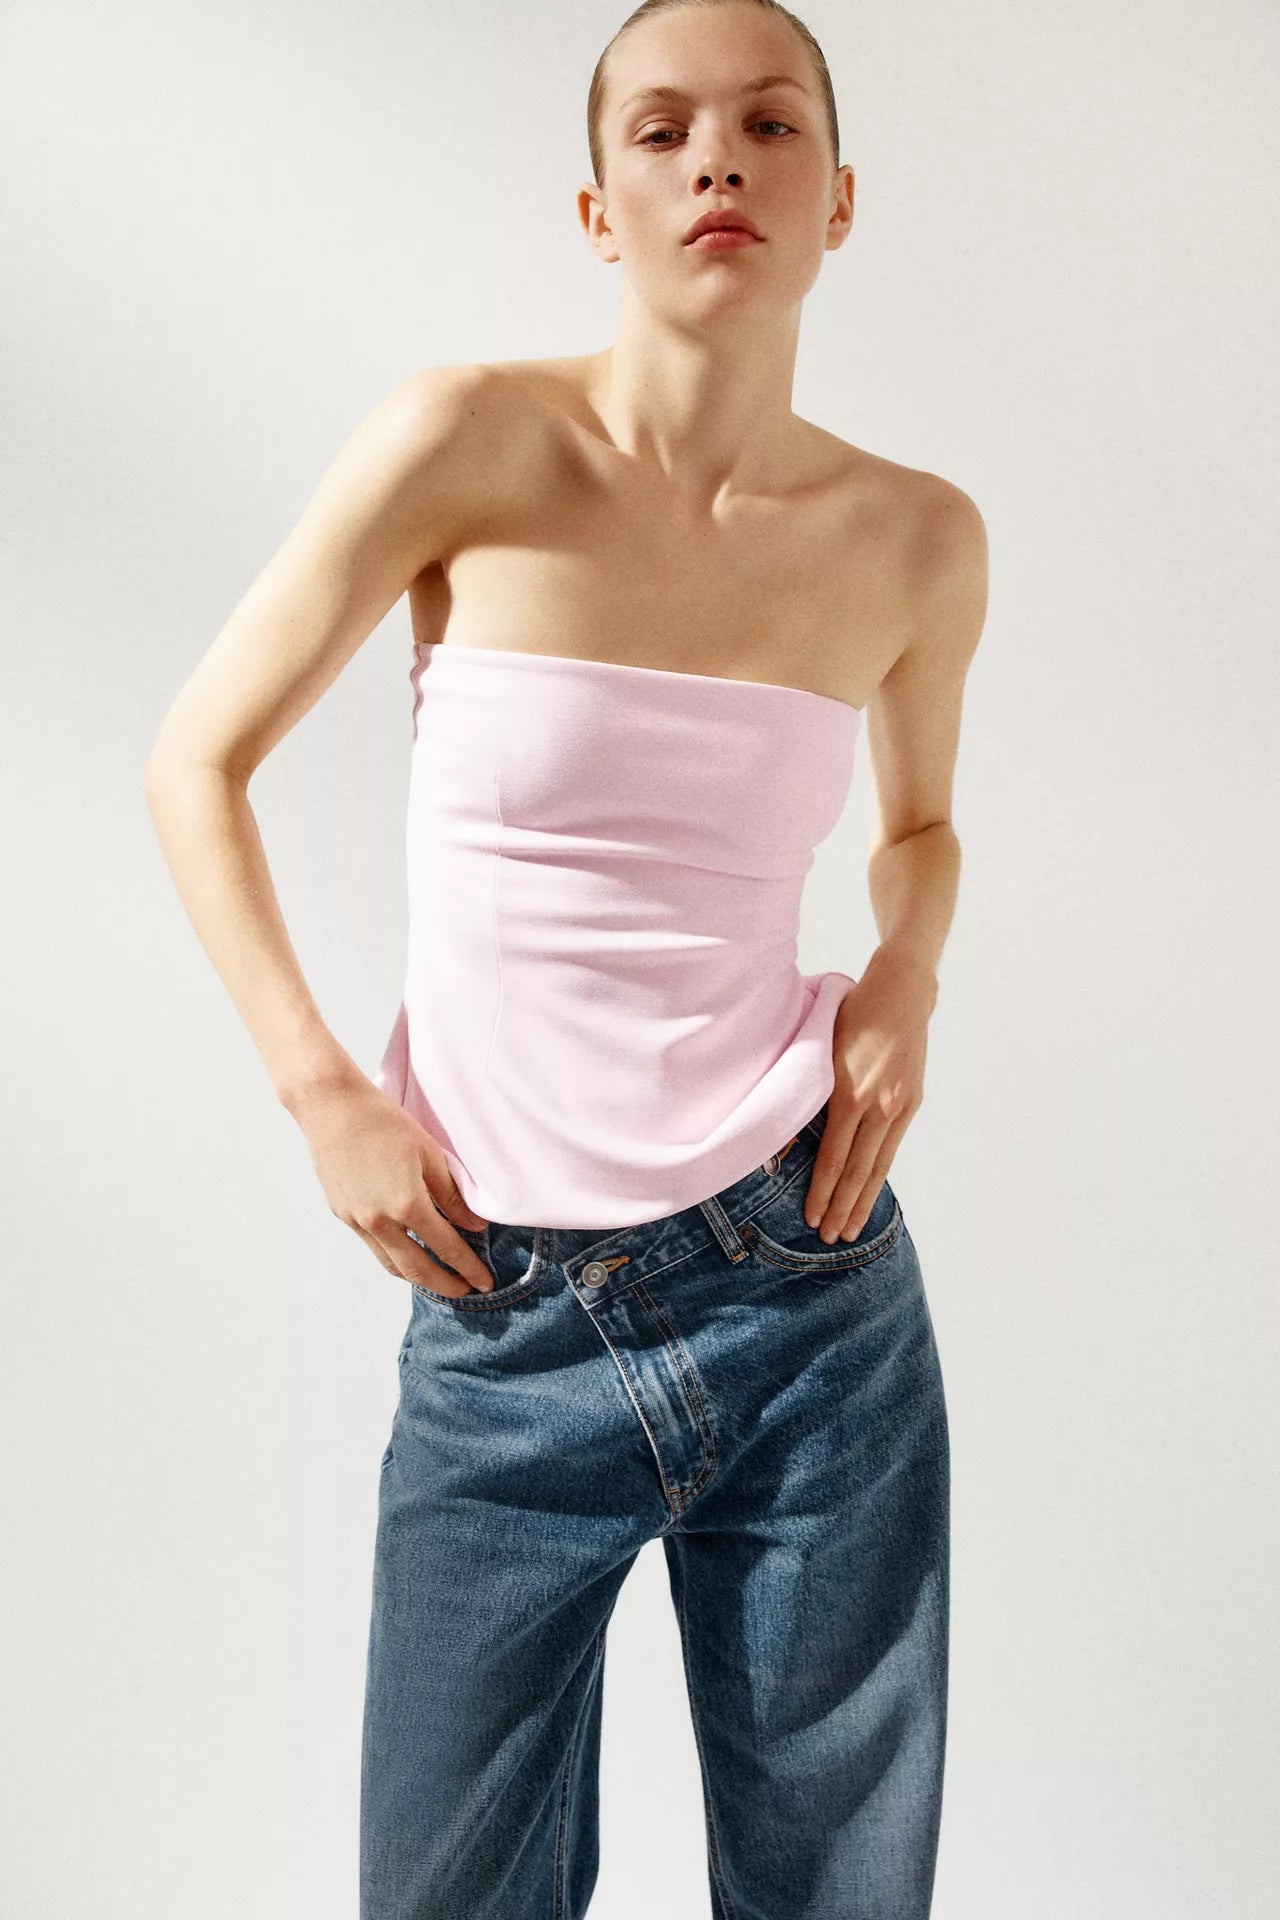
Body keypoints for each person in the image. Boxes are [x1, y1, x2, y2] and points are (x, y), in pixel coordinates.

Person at [145, 0, 988, 1912]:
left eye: (769, 124)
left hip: (808, 1277)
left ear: (839, 198)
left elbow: (921, 827)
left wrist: (905, 978)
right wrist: (322, 1091)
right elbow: (197, 763)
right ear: (600, 207)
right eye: (663, 129)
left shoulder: (915, 538)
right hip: (503, 1297)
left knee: (838, 1892)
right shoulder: (467, 440)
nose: (718, 160)